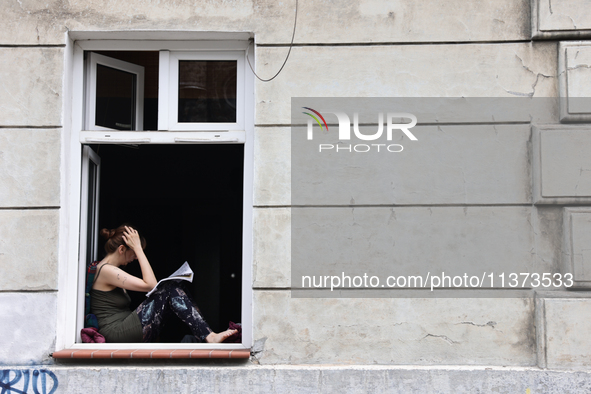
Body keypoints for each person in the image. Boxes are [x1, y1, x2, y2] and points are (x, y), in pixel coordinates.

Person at [90, 224, 237, 343]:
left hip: (123, 328)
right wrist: (139, 250)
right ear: (122, 249)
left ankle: (202, 336)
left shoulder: (111, 270)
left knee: (177, 290)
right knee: (169, 289)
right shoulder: (105, 270)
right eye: (133, 252)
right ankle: (209, 336)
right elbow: (150, 284)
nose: (135, 257)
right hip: (116, 332)